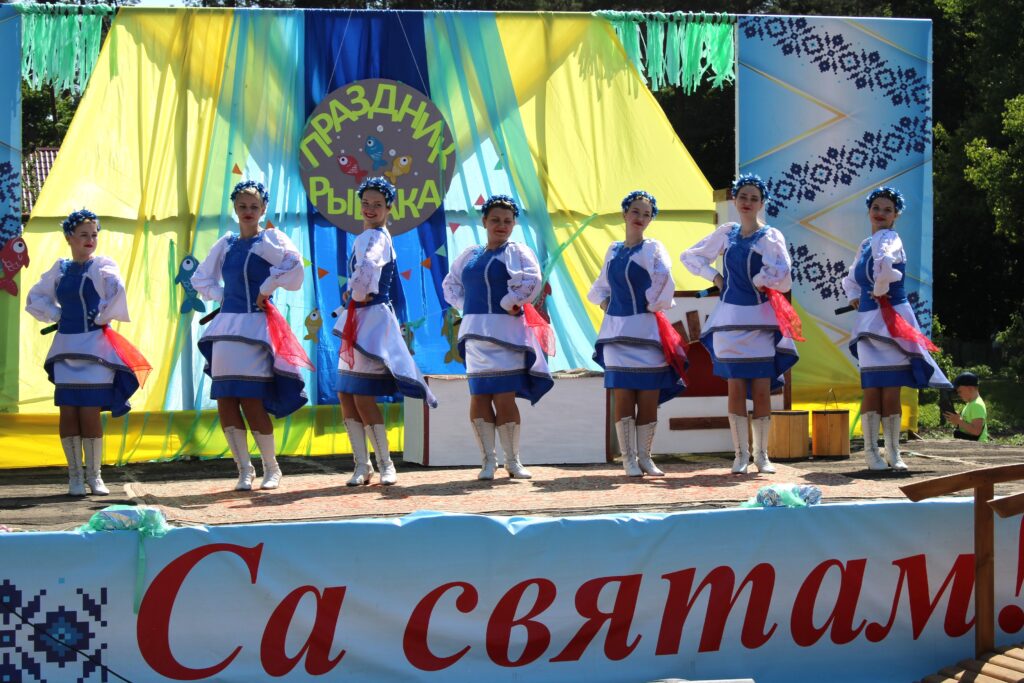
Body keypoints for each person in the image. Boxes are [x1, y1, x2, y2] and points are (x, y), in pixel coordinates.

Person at [191, 180, 308, 491]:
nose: (248, 211)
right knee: (225, 399)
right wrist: (222, 295)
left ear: (263, 209)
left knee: (251, 399)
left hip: (255, 328)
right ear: (234, 208)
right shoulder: (226, 244)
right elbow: (201, 278)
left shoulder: (270, 240)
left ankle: (272, 468)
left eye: (254, 206)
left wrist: (266, 288)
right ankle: (244, 470)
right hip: (227, 329)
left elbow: (294, 267)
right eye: (242, 206)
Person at [681, 174, 800, 475]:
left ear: (762, 203)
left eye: (753, 198)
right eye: (743, 196)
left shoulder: (770, 236)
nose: (747, 202)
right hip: (730, 321)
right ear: (734, 200)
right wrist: (715, 277)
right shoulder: (727, 233)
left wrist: (761, 280)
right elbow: (690, 256)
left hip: (760, 320)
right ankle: (740, 455)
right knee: (734, 388)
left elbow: (784, 273)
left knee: (761, 388)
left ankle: (762, 455)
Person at [26, 209, 150, 496]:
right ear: (69, 237)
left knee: (90, 410)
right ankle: (75, 477)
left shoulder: (102, 266)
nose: (90, 239)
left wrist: (102, 317)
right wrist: (57, 314)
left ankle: (95, 477)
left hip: (95, 348)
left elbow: (116, 291)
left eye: (94, 234)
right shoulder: (60, 269)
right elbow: (36, 297)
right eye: (83, 234)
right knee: (68, 410)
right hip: (66, 348)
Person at [334, 176, 438, 486]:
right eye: (366, 203)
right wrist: (354, 292)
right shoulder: (370, 235)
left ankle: (383, 464)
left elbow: (367, 268)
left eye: (377, 204)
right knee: (347, 393)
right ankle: (362, 465)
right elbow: (365, 273)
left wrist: (356, 291)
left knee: (361, 395)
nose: (370, 208)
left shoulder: (374, 237)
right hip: (360, 318)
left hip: (369, 319)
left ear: (389, 207)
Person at [442, 194, 554, 480]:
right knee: (479, 394)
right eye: (495, 220)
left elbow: (531, 280)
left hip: (506, 334)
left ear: (514, 223)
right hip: (475, 334)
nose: (501, 225)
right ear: (484, 222)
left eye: (507, 220)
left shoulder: (517, 252)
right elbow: (451, 283)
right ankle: (487, 462)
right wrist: (467, 305)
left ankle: (512, 461)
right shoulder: (470, 254)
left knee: (504, 396)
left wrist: (509, 301)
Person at [842, 186, 953, 470]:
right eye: (876, 208)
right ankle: (871, 453)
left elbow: (886, 267)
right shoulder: (865, 244)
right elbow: (852, 277)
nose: (881, 213)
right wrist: (854, 296)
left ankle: (893, 452)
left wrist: (880, 289)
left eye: (887, 210)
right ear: (869, 211)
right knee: (871, 387)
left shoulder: (891, 239)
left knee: (891, 388)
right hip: (868, 322)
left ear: (896, 215)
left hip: (893, 322)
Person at [589, 190, 687, 477]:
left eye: (646, 214)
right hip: (616, 334)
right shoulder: (613, 249)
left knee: (647, 395)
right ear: (624, 214)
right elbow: (601, 285)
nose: (640, 217)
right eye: (635, 211)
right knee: (622, 395)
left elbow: (664, 278)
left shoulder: (652, 248)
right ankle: (628, 459)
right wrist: (606, 304)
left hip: (645, 331)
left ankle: (645, 457)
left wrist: (650, 304)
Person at [944, 372, 989, 442]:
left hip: (978, 445)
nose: (958, 394)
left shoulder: (977, 405)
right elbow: (966, 426)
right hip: (971, 444)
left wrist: (959, 421)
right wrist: (956, 420)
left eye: (960, 391)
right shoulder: (970, 404)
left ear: (970, 388)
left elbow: (976, 431)